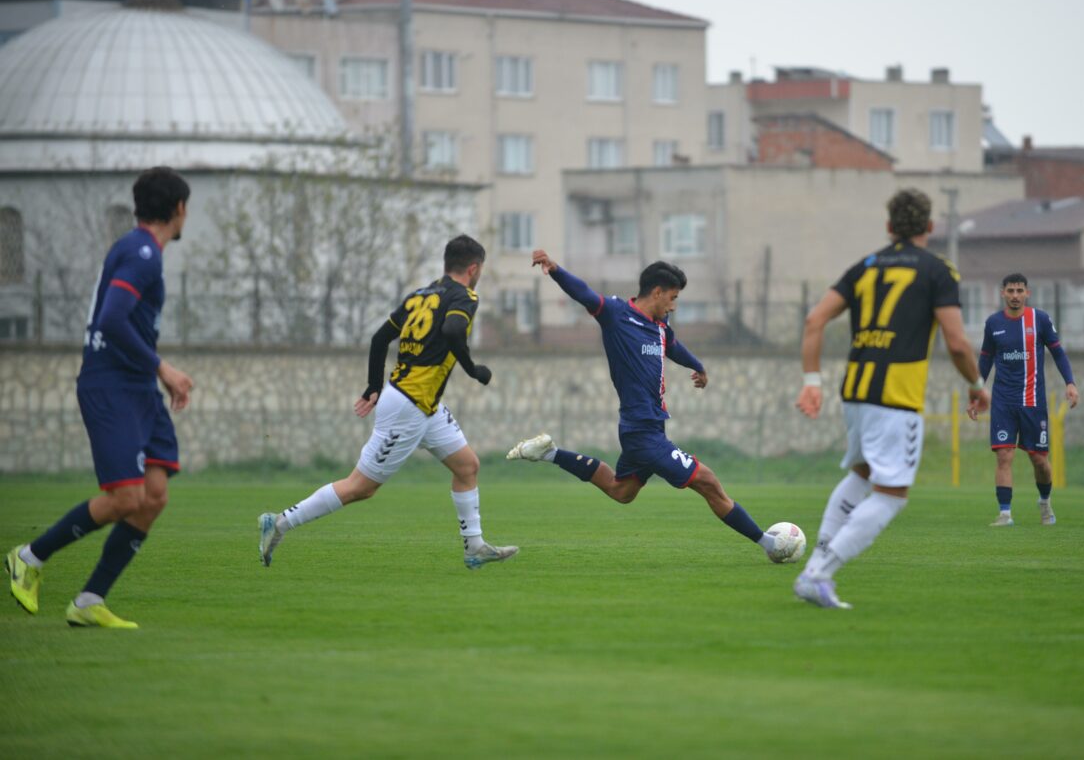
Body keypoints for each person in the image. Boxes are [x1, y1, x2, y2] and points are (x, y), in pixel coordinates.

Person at [6, 167, 195, 629]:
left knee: (153, 495)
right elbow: (111, 319)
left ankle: (89, 600)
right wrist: (162, 366)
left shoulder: (138, 249)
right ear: (178, 209)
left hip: (135, 387)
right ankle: (29, 556)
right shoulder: (143, 252)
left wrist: (154, 373)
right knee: (125, 497)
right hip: (111, 384)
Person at [256, 235, 517, 570]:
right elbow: (453, 331)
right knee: (360, 488)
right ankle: (278, 523)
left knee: (467, 466)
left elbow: (380, 338)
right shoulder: (464, 296)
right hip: (409, 406)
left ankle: (474, 547)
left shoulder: (419, 296)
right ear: (473, 268)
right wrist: (474, 370)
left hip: (423, 405)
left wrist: (372, 386)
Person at [505, 251, 781, 558]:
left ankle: (549, 452)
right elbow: (584, 293)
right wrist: (555, 270)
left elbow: (672, 347)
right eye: (673, 298)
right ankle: (770, 544)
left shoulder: (660, 325)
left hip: (649, 428)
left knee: (620, 491)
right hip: (642, 431)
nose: (674, 305)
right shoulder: (616, 314)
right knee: (708, 481)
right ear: (658, 292)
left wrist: (697, 365)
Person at [792, 188, 990, 609]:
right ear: (930, 228)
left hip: (855, 391)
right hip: (895, 397)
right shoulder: (937, 270)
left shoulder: (866, 267)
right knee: (891, 495)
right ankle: (818, 573)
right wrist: (975, 384)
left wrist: (812, 379)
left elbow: (815, 319)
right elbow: (956, 342)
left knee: (862, 474)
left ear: (889, 227)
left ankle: (815, 567)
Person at [971, 273, 1079, 527]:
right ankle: (1005, 514)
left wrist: (1070, 383)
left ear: (1027, 293)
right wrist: (976, 393)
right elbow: (985, 360)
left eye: (1020, 290)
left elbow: (1058, 353)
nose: (1015, 295)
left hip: (1033, 401)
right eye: (1010, 291)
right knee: (1004, 456)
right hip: (1003, 402)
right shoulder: (993, 323)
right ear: (1003, 293)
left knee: (1039, 460)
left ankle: (1044, 502)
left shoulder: (1039, 319)